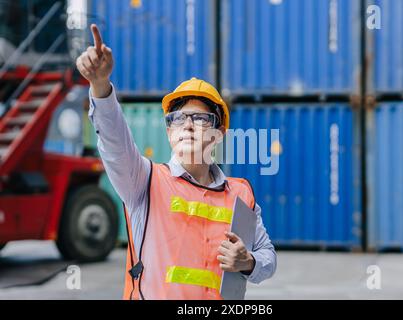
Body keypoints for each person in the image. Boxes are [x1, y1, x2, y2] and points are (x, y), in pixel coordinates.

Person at [76, 24, 276, 300]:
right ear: (169, 133)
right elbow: (114, 142)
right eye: (178, 119)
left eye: (201, 119)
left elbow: (268, 255)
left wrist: (249, 262)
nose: (188, 125)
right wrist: (100, 85)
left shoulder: (240, 195)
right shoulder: (143, 182)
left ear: (218, 135)